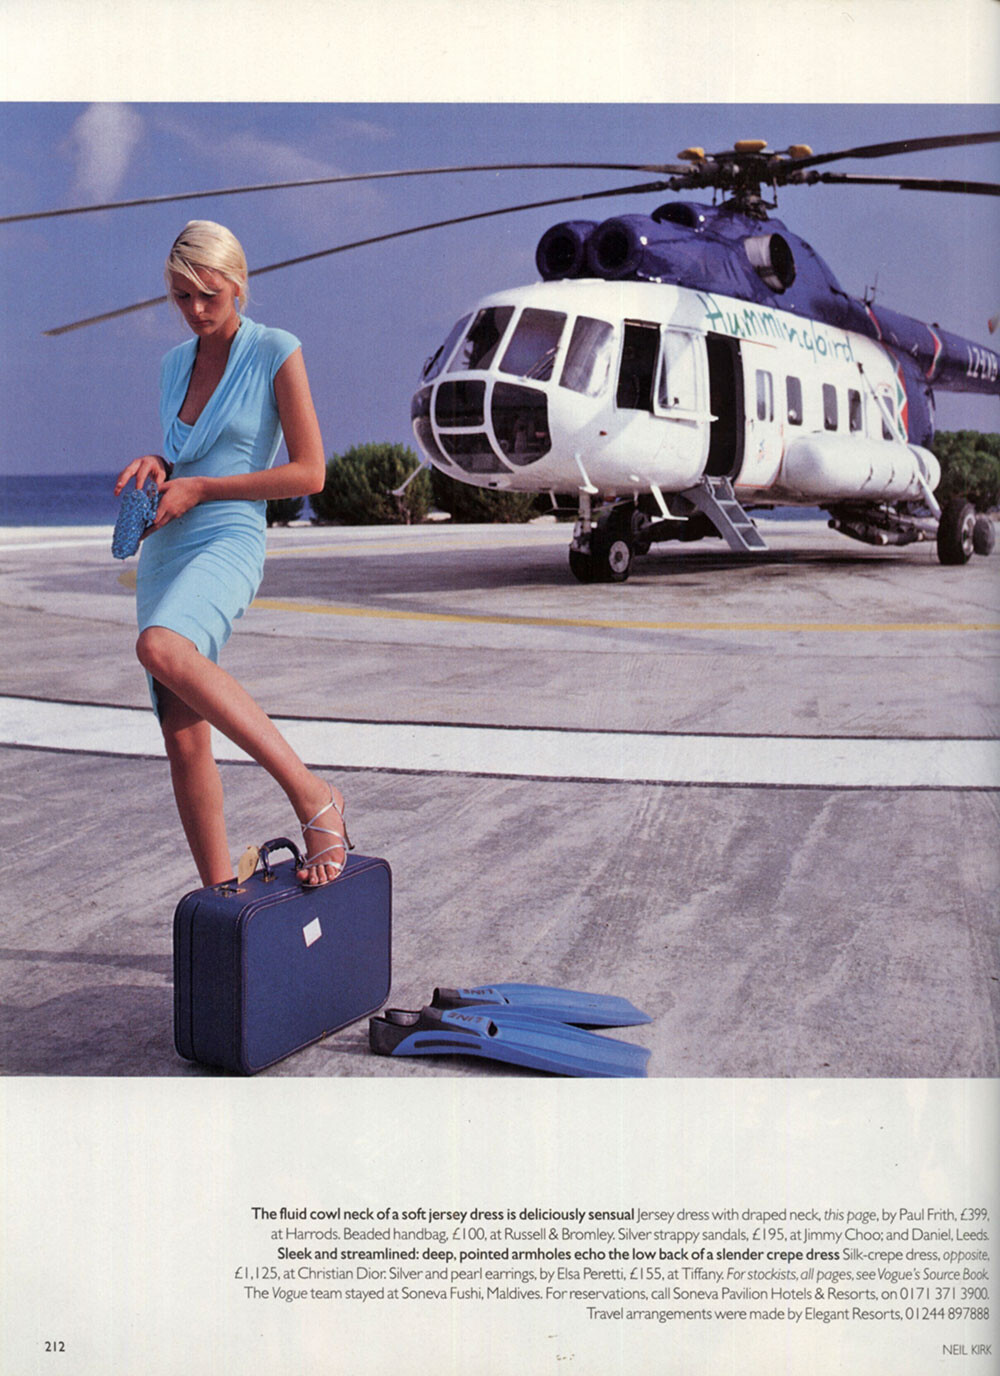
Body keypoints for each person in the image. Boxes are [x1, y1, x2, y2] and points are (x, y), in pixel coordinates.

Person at [114, 220, 350, 889]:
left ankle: (312, 795)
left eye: (208, 295)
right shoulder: (172, 365)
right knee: (182, 734)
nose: (195, 310)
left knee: (161, 647)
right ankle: (220, 898)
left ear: (239, 285)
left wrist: (203, 488)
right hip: (169, 542)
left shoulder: (275, 350)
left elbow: (309, 473)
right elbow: (189, 455)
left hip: (228, 534)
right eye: (181, 296)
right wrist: (160, 465)